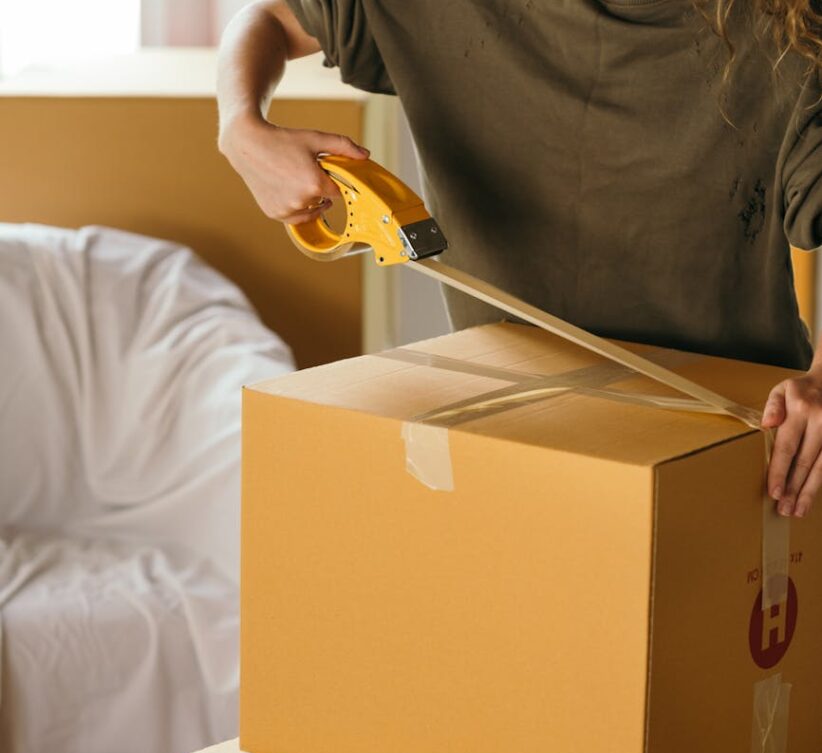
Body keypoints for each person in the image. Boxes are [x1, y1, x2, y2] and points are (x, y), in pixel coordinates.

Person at [217, 0, 822, 517]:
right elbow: (270, 16)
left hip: (746, 460)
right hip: (509, 440)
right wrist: (241, 127)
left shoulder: (787, 29)